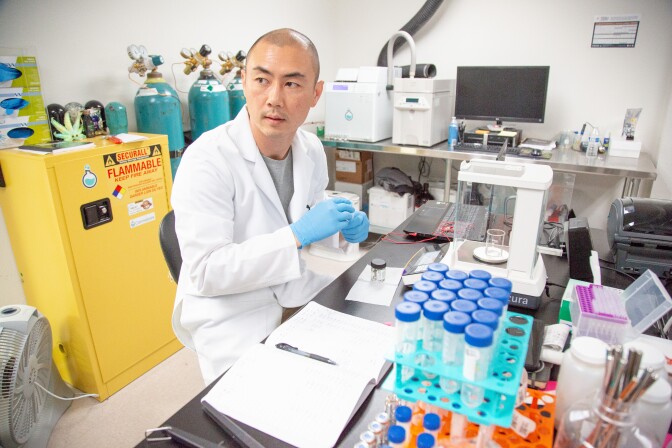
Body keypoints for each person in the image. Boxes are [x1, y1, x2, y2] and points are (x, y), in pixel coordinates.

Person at [170, 28, 369, 384]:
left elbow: (308, 217)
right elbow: (206, 271)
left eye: (292, 84)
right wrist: (297, 234)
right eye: (262, 79)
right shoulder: (206, 159)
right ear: (244, 81)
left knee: (363, 350)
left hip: (290, 285)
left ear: (315, 94)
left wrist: (339, 229)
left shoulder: (309, 149)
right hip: (230, 309)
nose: (274, 98)